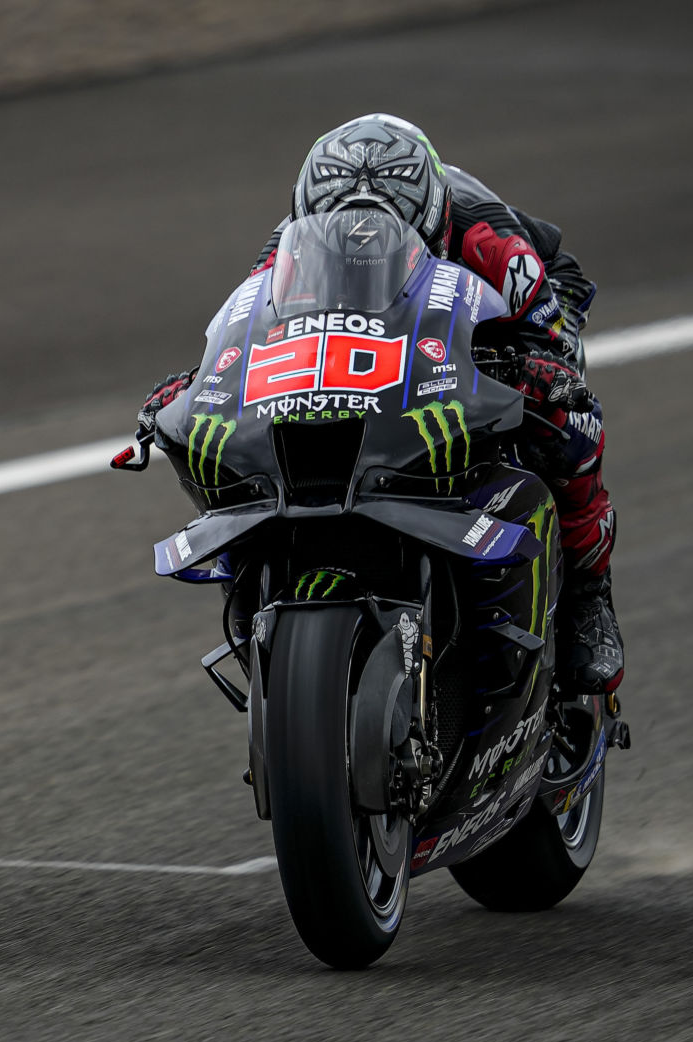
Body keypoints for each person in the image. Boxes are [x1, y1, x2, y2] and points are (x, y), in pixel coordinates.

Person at [137, 113, 623, 693]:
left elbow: (550, 349)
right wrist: (199, 386)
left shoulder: (492, 242)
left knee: (567, 423)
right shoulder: (287, 245)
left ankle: (591, 601)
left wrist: (538, 371)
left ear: (431, 220)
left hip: (529, 310)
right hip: (381, 326)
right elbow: (253, 337)